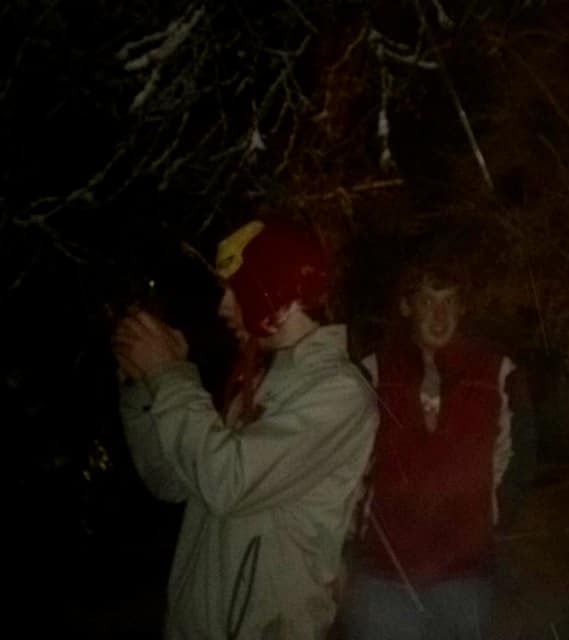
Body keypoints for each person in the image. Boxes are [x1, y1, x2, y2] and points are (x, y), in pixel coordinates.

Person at [112, 218, 379, 639]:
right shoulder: (257, 382)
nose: (223, 307)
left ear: (275, 289)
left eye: (235, 290)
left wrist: (170, 377)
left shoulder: (339, 393)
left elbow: (228, 480)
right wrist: (145, 391)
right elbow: (172, 481)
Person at [343, 254, 533, 640]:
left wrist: (491, 513)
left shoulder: (497, 371)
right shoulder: (372, 372)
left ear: (463, 308)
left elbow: (519, 453)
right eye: (428, 301)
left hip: (464, 577)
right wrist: (348, 544)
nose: (439, 315)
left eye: (449, 301)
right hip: (384, 576)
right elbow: (345, 465)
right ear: (406, 307)